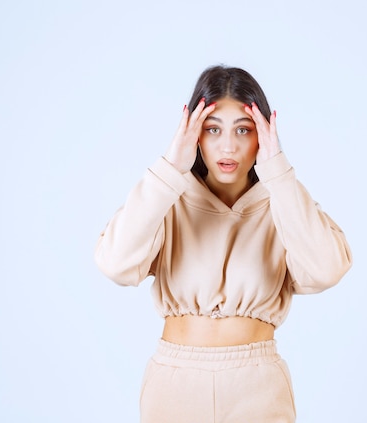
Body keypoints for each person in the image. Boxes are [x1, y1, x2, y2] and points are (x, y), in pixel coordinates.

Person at [95, 65, 352, 423]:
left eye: (243, 130)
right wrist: (170, 166)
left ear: (262, 135)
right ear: (195, 135)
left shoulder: (282, 202)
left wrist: (277, 170)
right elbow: (115, 262)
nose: (228, 146)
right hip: (175, 386)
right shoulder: (169, 198)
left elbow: (326, 270)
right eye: (213, 129)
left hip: (258, 387)